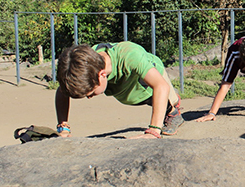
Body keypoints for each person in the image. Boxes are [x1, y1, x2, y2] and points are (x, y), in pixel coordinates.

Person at [55, 42, 184, 139]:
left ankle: (173, 109)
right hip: (125, 89)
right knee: (130, 97)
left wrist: (154, 130)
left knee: (160, 98)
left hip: (149, 80)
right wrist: (63, 126)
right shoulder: (86, 63)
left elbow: (161, 86)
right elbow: (62, 91)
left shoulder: (130, 56)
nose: (89, 98)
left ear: (102, 75)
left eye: (91, 93)